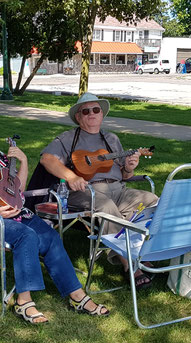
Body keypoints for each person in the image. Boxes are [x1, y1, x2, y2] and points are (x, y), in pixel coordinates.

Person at [0, 104, 109, 324]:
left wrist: (24, 160)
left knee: (49, 235)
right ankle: (24, 302)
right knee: (25, 235)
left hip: (11, 213)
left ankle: (76, 295)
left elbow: (17, 189)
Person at [40, 92, 159, 289]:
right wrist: (71, 176)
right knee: (105, 206)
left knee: (151, 200)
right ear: (78, 117)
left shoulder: (111, 139)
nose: (91, 114)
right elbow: (47, 159)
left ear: (102, 114)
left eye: (96, 110)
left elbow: (125, 176)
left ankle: (144, 251)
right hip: (85, 191)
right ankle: (129, 265)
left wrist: (129, 167)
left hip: (118, 189)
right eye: (85, 111)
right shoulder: (69, 138)